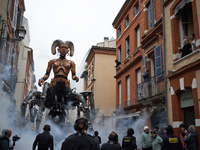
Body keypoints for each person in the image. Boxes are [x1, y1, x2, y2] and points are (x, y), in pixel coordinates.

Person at [38, 40, 79, 108]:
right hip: (54, 84)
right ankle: (40, 113)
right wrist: (42, 79)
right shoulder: (52, 61)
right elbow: (47, 74)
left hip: (65, 85)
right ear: (58, 49)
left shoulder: (71, 63)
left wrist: (75, 77)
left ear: (68, 51)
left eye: (66, 48)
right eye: (62, 47)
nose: (63, 49)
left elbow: (73, 75)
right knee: (44, 95)